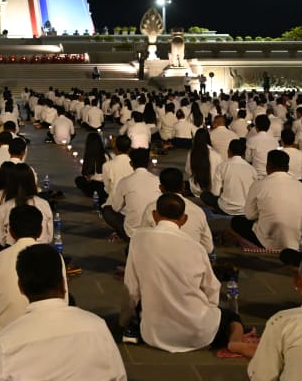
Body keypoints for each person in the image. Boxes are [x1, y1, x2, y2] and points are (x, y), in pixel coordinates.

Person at [123, 194, 254, 356]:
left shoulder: (138, 238)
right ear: (184, 219)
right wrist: (210, 309)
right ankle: (235, 342)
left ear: (154, 215)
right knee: (232, 318)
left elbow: (132, 287)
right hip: (198, 332)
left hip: (153, 332)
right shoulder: (195, 248)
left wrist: (128, 316)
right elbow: (212, 288)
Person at [0, 244, 126, 381]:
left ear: (21, 288)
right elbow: (119, 376)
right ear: (63, 284)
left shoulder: (5, 343)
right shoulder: (98, 327)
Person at [0, 204, 64, 342]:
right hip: (48, 332)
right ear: (40, 230)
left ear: (11, 232)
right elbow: (63, 300)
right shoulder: (55, 256)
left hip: (7, 336)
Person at [230, 150, 302, 250]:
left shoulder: (259, 185)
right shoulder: (301, 186)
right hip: (296, 239)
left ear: (268, 166)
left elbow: (250, 215)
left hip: (268, 240)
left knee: (236, 221)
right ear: (287, 167)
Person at [139, 168, 213, 254]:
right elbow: (208, 248)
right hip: (190, 259)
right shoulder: (197, 210)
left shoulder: (151, 208)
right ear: (183, 186)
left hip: (158, 258)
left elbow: (142, 239)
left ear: (160, 188)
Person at [102, 148, 159, 240]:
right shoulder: (158, 180)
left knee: (107, 210)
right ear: (149, 163)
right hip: (153, 231)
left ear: (131, 164)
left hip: (131, 233)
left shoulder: (125, 182)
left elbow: (116, 208)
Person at [74, 130, 108, 201]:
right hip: (107, 189)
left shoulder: (89, 157)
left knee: (79, 180)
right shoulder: (107, 155)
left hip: (96, 189)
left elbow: (87, 176)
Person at [102, 135, 134, 199]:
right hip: (131, 198)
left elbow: (107, 188)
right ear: (130, 149)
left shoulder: (107, 165)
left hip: (114, 199)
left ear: (115, 148)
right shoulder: (135, 164)